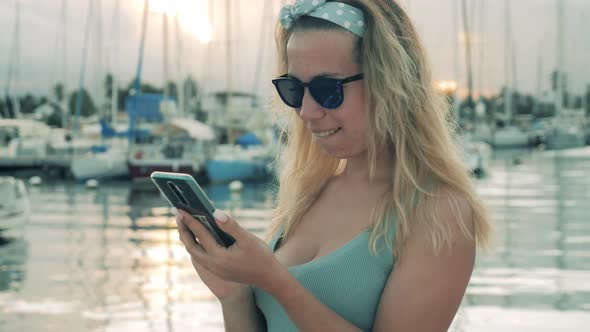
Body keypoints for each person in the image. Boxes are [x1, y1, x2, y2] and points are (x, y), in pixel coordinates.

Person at [175, 0, 493, 331]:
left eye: (328, 90)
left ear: (390, 84)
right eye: (294, 89)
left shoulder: (440, 211)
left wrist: (274, 280)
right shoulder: (311, 192)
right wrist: (235, 295)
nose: (306, 111)